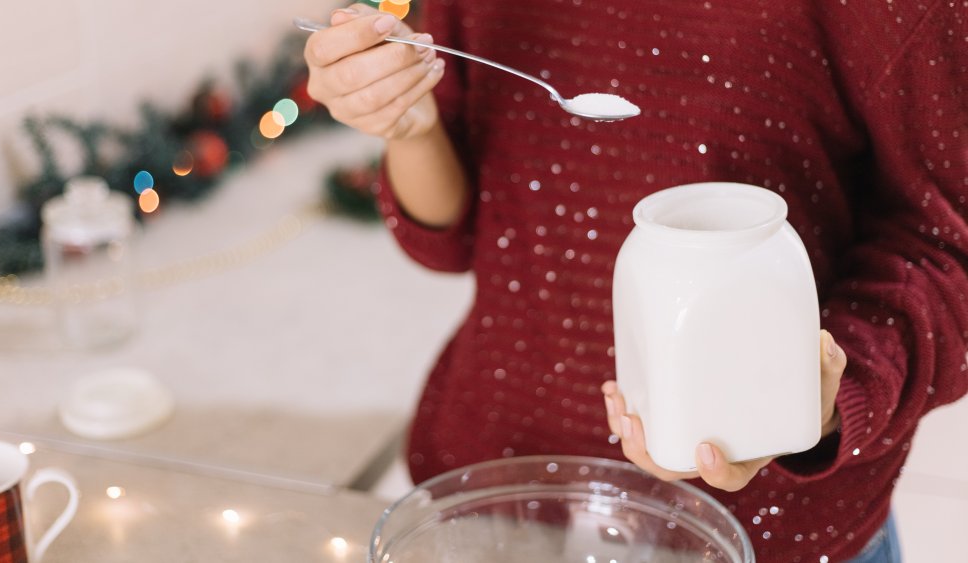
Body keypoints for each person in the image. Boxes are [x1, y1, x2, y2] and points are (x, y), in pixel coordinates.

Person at [304, 2, 967, 561]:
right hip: (498, 497)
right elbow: (452, 237)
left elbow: (949, 243)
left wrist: (823, 396)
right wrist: (409, 128)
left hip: (766, 526)